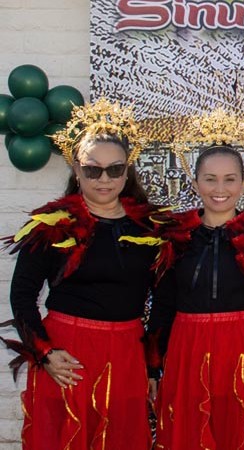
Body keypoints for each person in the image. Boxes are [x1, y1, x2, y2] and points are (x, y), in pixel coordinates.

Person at [3, 99, 158, 449]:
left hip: (127, 355)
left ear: (127, 171)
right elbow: (22, 295)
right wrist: (44, 352)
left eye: (114, 170)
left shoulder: (151, 230)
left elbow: (164, 299)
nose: (104, 179)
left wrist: (152, 366)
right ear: (76, 170)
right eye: (92, 170)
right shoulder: (52, 225)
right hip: (67, 355)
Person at [142, 110, 244, 450]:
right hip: (187, 349)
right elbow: (163, 303)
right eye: (210, 179)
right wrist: (153, 366)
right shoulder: (174, 237)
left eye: (230, 179)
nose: (220, 189)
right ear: (195, 181)